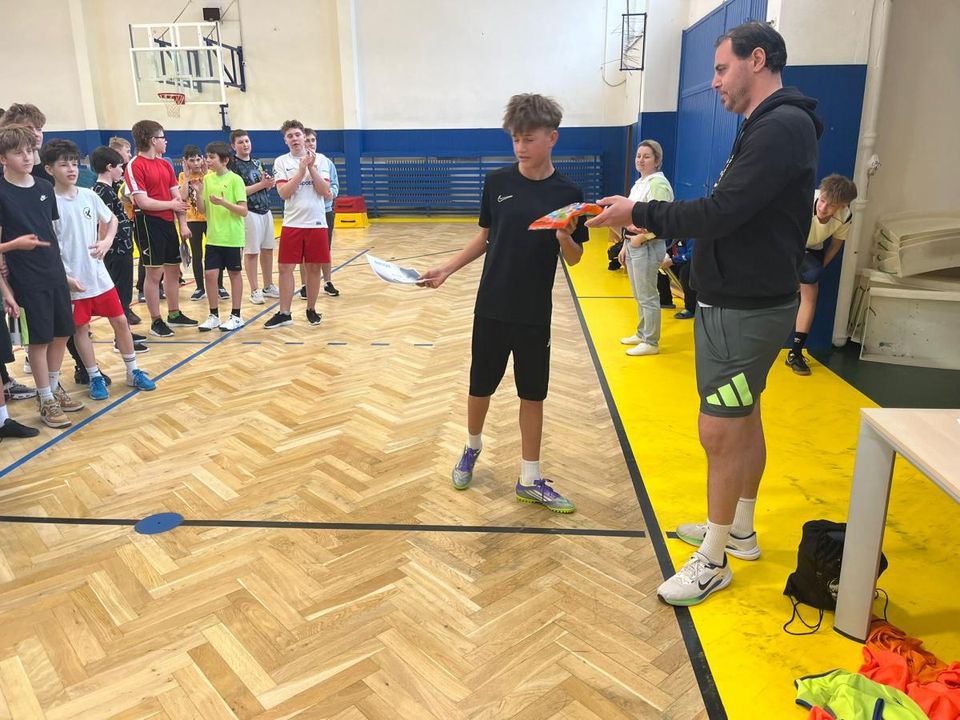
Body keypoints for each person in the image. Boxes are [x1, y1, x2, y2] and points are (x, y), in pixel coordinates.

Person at [587, 22, 822, 604]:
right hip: (741, 302)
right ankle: (738, 529)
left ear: (757, 60)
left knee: (718, 430)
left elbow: (722, 211)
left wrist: (638, 213)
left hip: (745, 309)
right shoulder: (767, 125)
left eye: (721, 69)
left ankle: (713, 559)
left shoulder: (780, 126)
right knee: (744, 419)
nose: (714, 82)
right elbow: (731, 210)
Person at [418, 93, 587, 513]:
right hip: (491, 306)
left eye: (528, 139)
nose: (520, 147)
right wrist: (446, 269)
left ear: (552, 138)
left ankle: (529, 477)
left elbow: (575, 257)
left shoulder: (569, 193)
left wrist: (565, 237)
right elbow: (485, 236)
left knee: (533, 394)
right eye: (515, 138)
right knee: (480, 386)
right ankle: (471, 446)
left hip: (534, 313)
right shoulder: (497, 183)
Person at [43, 139, 156, 401]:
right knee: (80, 329)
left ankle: (133, 370)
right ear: (49, 169)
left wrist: (106, 241)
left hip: (98, 276)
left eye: (74, 163)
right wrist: (64, 277)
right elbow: (48, 247)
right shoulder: (48, 203)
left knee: (120, 321)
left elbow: (112, 219)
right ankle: (94, 375)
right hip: (73, 280)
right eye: (64, 164)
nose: (71, 169)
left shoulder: (89, 195)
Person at [0, 124, 86, 429]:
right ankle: (45, 398)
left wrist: (65, 273)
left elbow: (51, 233)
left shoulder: (44, 187)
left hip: (53, 272)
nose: (27, 157)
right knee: (39, 339)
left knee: (62, 332)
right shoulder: (2, 192)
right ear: (3, 158)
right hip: (26, 278)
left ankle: (51, 387)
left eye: (30, 150)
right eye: (18, 152)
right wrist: (7, 289)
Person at [124, 119, 197, 338]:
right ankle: (156, 320)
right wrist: (171, 205)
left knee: (173, 270)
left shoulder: (165, 164)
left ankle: (174, 313)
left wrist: (182, 223)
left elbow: (177, 198)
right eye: (163, 137)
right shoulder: (135, 165)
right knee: (154, 273)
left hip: (167, 223)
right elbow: (143, 202)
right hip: (148, 224)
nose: (166, 141)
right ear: (152, 140)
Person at [786, 174, 858, 375]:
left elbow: (835, 245)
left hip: (813, 248)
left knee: (811, 288)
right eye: (823, 200)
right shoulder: (803, 201)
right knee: (773, 288)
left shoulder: (845, 216)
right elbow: (781, 231)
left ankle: (795, 352)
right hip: (789, 244)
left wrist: (817, 269)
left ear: (843, 206)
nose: (823, 207)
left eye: (831, 205)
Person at [264, 120, 332, 329]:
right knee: (285, 267)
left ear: (304, 137)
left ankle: (311, 309)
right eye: (290, 136)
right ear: (285, 140)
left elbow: (325, 192)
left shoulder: (321, 160)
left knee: (313, 267)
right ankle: (284, 313)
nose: (294, 139)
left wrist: (311, 168)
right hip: (292, 222)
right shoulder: (281, 162)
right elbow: (284, 193)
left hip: (316, 222)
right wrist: (301, 171)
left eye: (297, 135)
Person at [617, 140, 674, 356]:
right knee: (639, 294)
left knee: (648, 296)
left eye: (646, 156)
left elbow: (663, 223)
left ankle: (651, 341)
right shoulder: (639, 183)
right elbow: (631, 217)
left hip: (647, 247)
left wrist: (641, 239)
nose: (640, 160)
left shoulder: (658, 184)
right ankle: (642, 333)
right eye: (638, 155)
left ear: (657, 161)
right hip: (633, 245)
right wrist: (626, 244)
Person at [91, 145, 146, 353]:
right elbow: (103, 223)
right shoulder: (102, 191)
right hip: (116, 250)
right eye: (119, 167)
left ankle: (125, 334)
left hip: (122, 248)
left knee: (124, 292)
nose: (122, 170)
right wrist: (104, 246)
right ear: (109, 167)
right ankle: (120, 340)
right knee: (121, 294)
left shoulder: (108, 189)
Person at [195, 142, 248, 332]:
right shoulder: (207, 180)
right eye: (207, 156)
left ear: (224, 160)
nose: (207, 160)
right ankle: (213, 315)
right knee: (210, 275)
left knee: (234, 274)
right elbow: (202, 210)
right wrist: (199, 194)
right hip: (213, 237)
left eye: (212, 157)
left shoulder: (236, 180)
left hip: (232, 237)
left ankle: (236, 316)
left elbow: (243, 211)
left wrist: (224, 203)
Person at [228, 129, 278, 305]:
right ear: (233, 146)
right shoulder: (232, 166)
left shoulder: (257, 162)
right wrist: (262, 185)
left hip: (265, 209)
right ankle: (255, 290)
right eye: (240, 142)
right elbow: (238, 192)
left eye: (247, 141)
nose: (245, 145)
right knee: (252, 251)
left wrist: (269, 183)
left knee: (268, 249)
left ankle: (268, 285)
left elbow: (264, 185)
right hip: (249, 212)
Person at [302, 128, 340, 298]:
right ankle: (305, 284)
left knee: (325, 249)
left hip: (325, 211)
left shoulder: (326, 162)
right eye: (307, 140)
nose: (310, 143)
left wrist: (331, 193)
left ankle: (327, 281)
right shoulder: (296, 163)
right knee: (305, 253)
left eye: (313, 140)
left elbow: (335, 185)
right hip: (306, 213)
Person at [662, 238, 697, 319]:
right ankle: (665, 301)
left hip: (690, 263)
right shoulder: (672, 234)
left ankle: (690, 308)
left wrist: (673, 260)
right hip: (676, 261)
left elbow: (692, 254)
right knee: (659, 267)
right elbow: (666, 245)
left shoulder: (691, 235)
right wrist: (666, 255)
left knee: (686, 272)